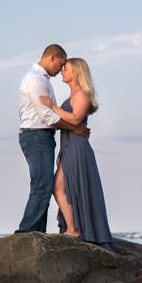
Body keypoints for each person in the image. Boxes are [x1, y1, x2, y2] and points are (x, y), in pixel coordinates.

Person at [16, 44, 89, 233]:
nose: (61, 69)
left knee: (44, 185)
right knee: (42, 185)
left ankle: (37, 231)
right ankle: (27, 231)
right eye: (61, 64)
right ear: (52, 58)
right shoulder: (34, 79)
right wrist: (76, 129)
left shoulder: (43, 80)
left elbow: (53, 112)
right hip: (36, 135)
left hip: (42, 136)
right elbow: (47, 115)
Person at [39, 57, 112, 245]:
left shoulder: (82, 94)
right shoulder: (71, 96)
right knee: (63, 187)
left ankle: (74, 229)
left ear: (77, 73)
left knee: (61, 187)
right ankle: (73, 228)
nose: (63, 71)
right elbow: (67, 122)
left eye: (66, 69)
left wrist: (52, 106)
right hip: (69, 145)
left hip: (77, 148)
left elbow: (75, 119)